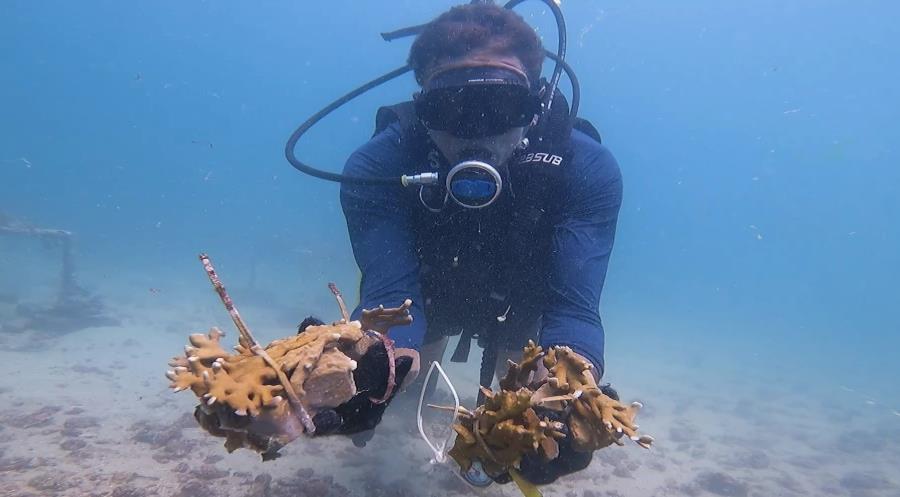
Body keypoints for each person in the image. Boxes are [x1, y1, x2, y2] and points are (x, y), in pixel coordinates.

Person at [337, 2, 623, 485]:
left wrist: (571, 386)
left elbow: (573, 309)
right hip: (424, 295)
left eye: (501, 109)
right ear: (423, 108)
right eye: (452, 110)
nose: (478, 136)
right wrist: (377, 365)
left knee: (538, 404)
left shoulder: (586, 169)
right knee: (394, 374)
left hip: (523, 303)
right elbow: (389, 291)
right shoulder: (376, 168)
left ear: (534, 106)